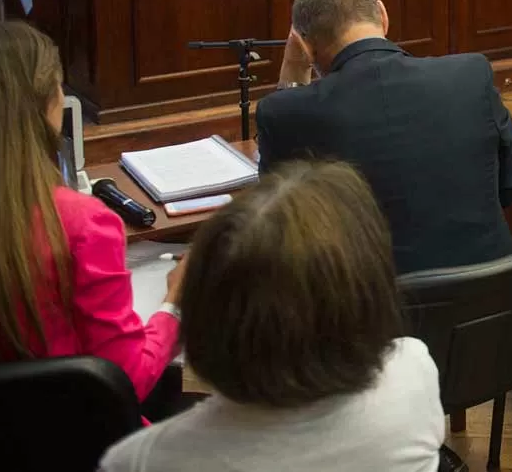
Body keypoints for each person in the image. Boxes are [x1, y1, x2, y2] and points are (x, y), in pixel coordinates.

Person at [99, 161, 447, 472]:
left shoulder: (140, 460)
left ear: (205, 316)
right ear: (368, 297)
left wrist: (171, 305)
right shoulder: (415, 373)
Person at [0, 21, 183, 411]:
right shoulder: (83, 222)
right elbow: (128, 382)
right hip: (77, 444)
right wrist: (175, 302)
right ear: (46, 103)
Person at [256, 0, 512, 275]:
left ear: (303, 46)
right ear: (382, 15)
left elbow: (279, 229)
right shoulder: (471, 74)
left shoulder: (286, 112)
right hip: (498, 301)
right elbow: (509, 189)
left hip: (370, 312)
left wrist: (291, 79)